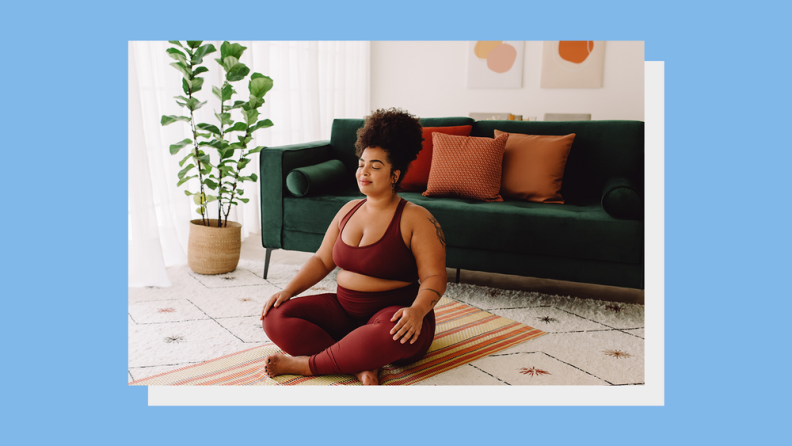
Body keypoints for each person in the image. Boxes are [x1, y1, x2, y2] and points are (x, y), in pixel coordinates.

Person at [259, 108, 447, 385]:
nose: (364, 172)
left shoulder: (417, 218)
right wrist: (288, 291)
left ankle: (306, 365)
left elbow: (434, 277)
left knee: (391, 334)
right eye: (361, 164)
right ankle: (359, 364)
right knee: (275, 317)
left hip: (395, 316)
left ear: (394, 174)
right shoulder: (348, 210)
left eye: (375, 166)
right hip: (344, 313)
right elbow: (322, 260)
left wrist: (418, 311)